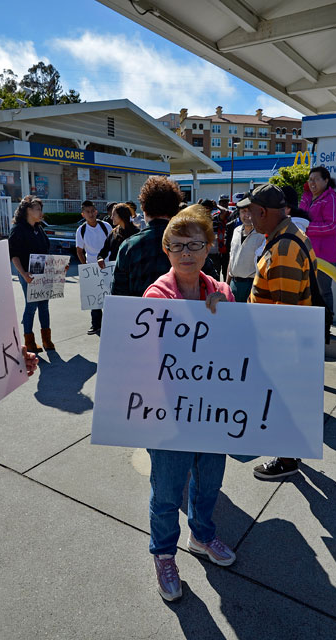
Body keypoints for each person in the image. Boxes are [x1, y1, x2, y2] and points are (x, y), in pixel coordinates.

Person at [143, 205, 236, 602]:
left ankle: (202, 535)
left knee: (209, 482)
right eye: (178, 245)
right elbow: (148, 357)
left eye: (195, 244)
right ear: (167, 249)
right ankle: (164, 553)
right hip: (169, 414)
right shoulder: (156, 295)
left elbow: (237, 349)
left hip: (213, 411)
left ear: (209, 247)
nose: (186, 253)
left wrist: (223, 317)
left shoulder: (223, 291)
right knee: (167, 490)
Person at [237, 184, 317, 480]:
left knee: (280, 401)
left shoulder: (283, 248)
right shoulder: (289, 235)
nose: (248, 216)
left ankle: (286, 460)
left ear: (263, 212)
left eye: (251, 211)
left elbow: (286, 314)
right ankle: (291, 451)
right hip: (285, 343)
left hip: (279, 346)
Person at [111, 176, 218, 298]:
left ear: (144, 209)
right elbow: (213, 285)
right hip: (190, 315)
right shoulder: (192, 242)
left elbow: (118, 297)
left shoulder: (129, 247)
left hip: (142, 315)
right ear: (175, 210)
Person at [9, 195, 55, 353]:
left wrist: (59, 268)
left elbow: (46, 251)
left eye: (41, 209)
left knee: (44, 306)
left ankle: (47, 339)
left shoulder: (39, 228)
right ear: (28, 210)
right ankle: (29, 341)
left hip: (42, 271)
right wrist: (23, 274)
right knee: (31, 306)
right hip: (28, 272)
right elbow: (13, 255)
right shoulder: (18, 229)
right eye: (38, 209)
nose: (41, 212)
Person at [299, 166, 336, 312]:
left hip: (324, 254)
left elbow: (334, 225)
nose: (312, 183)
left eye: (316, 179)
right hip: (305, 252)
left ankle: (326, 326)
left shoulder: (331, 199)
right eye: (310, 179)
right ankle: (311, 325)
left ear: (326, 181)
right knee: (306, 291)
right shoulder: (306, 197)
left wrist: (307, 227)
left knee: (323, 291)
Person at [76, 200, 112, 335]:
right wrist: (85, 267)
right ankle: (96, 325)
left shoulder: (106, 226)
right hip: (92, 268)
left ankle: (110, 323)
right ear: (83, 214)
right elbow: (79, 250)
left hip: (108, 266)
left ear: (96, 212)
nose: (91, 214)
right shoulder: (81, 230)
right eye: (87, 212)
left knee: (109, 296)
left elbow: (112, 243)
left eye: (92, 211)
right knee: (95, 299)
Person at [227, 206, 264, 302]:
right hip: (233, 285)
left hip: (252, 285)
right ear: (239, 213)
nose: (247, 215)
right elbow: (231, 259)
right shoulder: (236, 231)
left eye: (250, 211)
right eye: (243, 211)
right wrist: (226, 285)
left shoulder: (262, 234)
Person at [97, 203, 139, 268]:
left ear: (121, 215)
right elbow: (103, 251)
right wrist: (100, 258)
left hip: (133, 272)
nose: (111, 217)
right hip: (117, 272)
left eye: (114, 215)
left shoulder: (137, 233)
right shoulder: (113, 233)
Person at [211, 195, 232, 281]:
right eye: (222, 202)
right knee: (216, 272)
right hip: (216, 249)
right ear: (219, 202)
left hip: (227, 249)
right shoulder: (215, 216)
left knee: (226, 272)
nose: (224, 204)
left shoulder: (231, 214)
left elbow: (225, 212)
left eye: (226, 202)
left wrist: (217, 206)